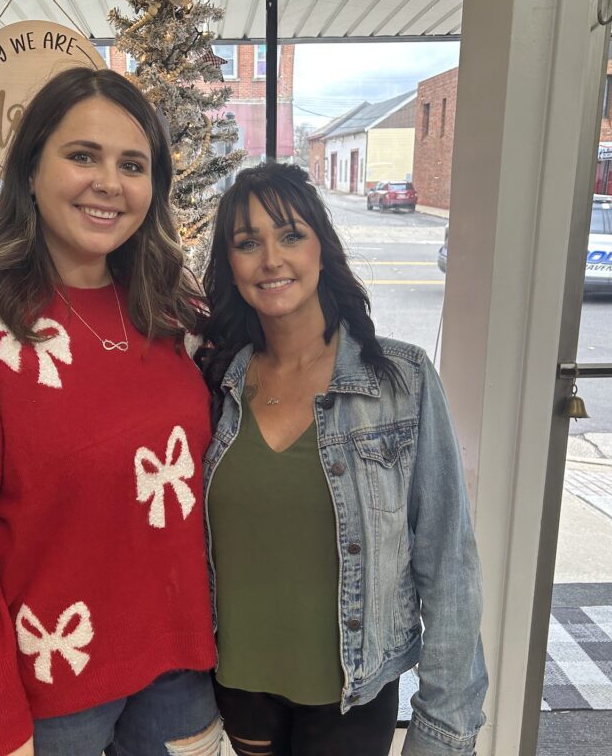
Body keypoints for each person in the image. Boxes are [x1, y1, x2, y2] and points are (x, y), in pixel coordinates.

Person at [0, 67, 221, 756]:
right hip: (49, 690)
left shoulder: (170, 309)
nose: (109, 183)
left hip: (181, 665)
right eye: (82, 156)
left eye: (132, 164)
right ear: (31, 168)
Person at [196, 163, 487, 756]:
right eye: (247, 243)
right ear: (231, 266)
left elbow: (448, 561)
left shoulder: (401, 383)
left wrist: (444, 728)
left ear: (322, 249)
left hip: (353, 694)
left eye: (290, 235)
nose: (271, 259)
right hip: (241, 687)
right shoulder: (213, 382)